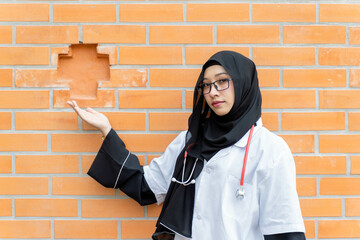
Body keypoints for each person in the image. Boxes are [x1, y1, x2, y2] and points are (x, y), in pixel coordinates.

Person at [67, 50, 306, 240]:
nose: (213, 92)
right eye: (206, 85)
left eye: (222, 81)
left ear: (243, 83)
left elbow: (284, 229)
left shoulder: (269, 149)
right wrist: (106, 131)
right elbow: (147, 186)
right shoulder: (190, 141)